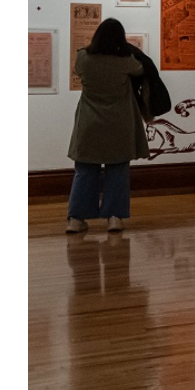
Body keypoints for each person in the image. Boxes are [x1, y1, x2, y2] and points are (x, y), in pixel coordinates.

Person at [67, 18, 150, 234]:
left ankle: (76, 219)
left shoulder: (83, 58)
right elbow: (140, 70)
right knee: (118, 170)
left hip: (89, 122)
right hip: (119, 122)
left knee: (84, 170)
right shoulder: (124, 61)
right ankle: (114, 218)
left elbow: (78, 70)